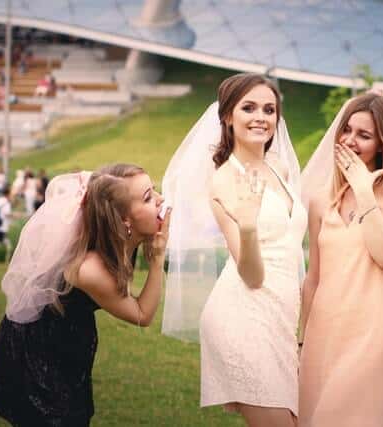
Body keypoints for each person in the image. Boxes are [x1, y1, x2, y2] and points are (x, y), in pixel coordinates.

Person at [162, 73, 305, 427]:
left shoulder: (280, 167)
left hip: (282, 318)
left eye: (269, 109)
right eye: (249, 108)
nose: (261, 117)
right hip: (244, 316)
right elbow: (252, 275)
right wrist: (248, 225)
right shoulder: (224, 180)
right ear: (227, 116)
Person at [0, 164, 172, 426]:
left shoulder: (115, 238)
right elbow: (142, 314)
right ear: (124, 219)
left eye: (153, 190)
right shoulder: (88, 269)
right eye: (147, 197)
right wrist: (157, 259)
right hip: (39, 353)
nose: (160, 199)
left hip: (69, 340)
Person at [298, 93, 383, 427]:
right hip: (325, 332)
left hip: (378, 331)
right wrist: (301, 341)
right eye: (347, 130)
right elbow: (314, 278)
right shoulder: (320, 199)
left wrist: (363, 188)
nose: (349, 141)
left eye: (364, 135)